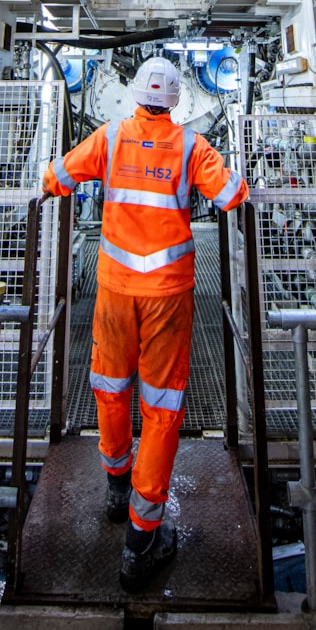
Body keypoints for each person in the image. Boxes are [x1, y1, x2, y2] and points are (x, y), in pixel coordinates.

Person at [42, 55, 249, 590]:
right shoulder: (190, 146)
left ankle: (115, 486)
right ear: (177, 100)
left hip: (114, 289)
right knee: (161, 407)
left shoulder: (109, 138)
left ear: (134, 94)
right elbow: (229, 196)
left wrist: (42, 185)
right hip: (167, 295)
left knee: (109, 387)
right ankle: (141, 538)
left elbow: (58, 177)